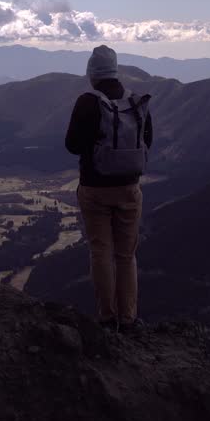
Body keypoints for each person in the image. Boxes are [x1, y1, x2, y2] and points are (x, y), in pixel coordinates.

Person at [64, 45, 153, 332]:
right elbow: (146, 142)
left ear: (92, 72)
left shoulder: (88, 102)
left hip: (94, 188)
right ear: (115, 71)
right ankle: (128, 319)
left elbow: (72, 145)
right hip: (129, 188)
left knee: (100, 251)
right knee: (126, 255)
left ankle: (106, 318)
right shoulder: (136, 103)